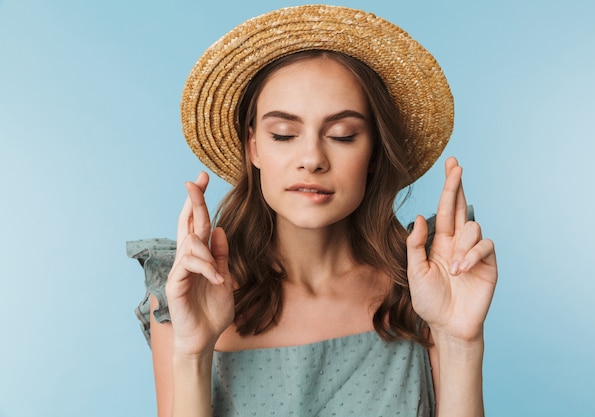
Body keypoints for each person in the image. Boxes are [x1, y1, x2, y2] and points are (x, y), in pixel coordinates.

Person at [127, 5, 497, 417]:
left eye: (342, 135)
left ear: (373, 150)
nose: (312, 159)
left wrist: (460, 341)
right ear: (253, 147)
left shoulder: (425, 288)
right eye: (283, 134)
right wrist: (193, 351)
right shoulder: (189, 294)